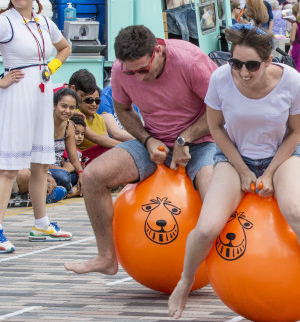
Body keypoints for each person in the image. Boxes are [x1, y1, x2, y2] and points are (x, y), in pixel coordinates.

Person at [167, 1, 300, 320]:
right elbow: (216, 129)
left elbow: (294, 134)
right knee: (207, 228)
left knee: (294, 210)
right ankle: (183, 282)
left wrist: (270, 173)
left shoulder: (291, 81)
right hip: (234, 155)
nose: (242, 72)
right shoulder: (221, 79)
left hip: (283, 154)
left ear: (267, 61)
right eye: (236, 63)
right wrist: (243, 169)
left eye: (251, 65)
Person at [63, 24, 219, 275]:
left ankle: (219, 263)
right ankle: (106, 257)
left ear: (158, 51)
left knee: (213, 191)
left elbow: (220, 108)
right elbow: (123, 110)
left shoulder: (191, 61)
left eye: (144, 70)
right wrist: (146, 139)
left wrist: (184, 139)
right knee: (92, 176)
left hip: (202, 141)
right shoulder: (120, 69)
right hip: (154, 139)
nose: (139, 78)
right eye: (131, 71)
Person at [0, 0, 74, 253]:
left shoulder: (43, 21)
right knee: (7, 167)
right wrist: (2, 80)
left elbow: (64, 47)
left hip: (41, 92)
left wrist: (52, 66)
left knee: (41, 163)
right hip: (16, 92)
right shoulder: (5, 22)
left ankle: (41, 223)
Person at [69, 70, 133, 161]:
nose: (94, 104)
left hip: (99, 155)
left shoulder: (99, 118)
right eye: (89, 100)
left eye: (97, 101)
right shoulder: (76, 114)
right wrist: (126, 147)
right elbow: (94, 137)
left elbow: (106, 141)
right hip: (83, 158)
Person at [50, 87, 84, 196]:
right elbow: (35, 160)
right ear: (55, 105)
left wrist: (81, 173)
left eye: (72, 108)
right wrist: (63, 169)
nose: (68, 111)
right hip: (43, 170)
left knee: (87, 177)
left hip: (62, 171)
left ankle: (60, 192)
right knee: (63, 177)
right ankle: (67, 192)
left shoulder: (69, 126)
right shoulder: (44, 122)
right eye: (64, 106)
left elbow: (74, 158)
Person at [288, 3, 300, 73]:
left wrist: (290, 43)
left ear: (293, 13)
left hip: (297, 46)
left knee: (296, 64)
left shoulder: (295, 24)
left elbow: (292, 38)